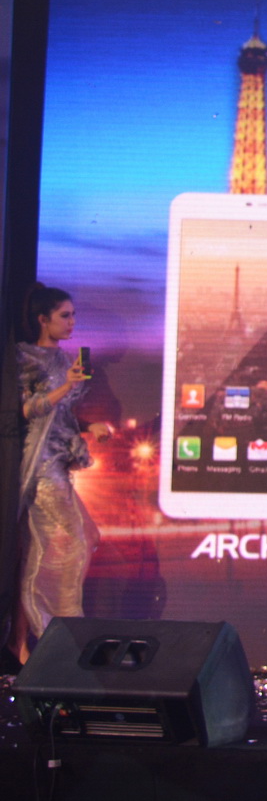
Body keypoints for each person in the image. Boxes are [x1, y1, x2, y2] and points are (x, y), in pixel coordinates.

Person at [7, 284, 112, 665]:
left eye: (73, 315)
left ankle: (21, 640)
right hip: (39, 468)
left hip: (58, 463)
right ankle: (61, 632)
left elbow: (60, 416)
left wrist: (88, 426)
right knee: (74, 543)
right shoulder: (24, 357)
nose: (71, 322)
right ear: (42, 319)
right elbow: (25, 410)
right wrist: (67, 384)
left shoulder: (64, 359)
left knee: (61, 544)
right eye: (64, 316)